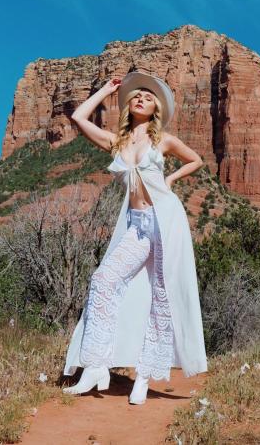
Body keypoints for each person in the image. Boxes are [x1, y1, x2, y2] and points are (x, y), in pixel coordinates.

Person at [62, 71, 208, 405]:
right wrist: (106, 89)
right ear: (129, 104)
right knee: (102, 280)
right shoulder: (119, 142)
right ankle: (95, 366)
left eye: (148, 96)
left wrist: (170, 179)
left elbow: (196, 160)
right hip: (137, 226)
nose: (141, 98)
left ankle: (144, 375)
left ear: (157, 107)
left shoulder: (164, 140)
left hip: (166, 220)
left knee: (161, 295)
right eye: (136, 95)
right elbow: (78, 117)